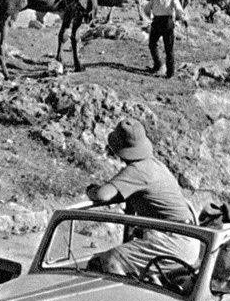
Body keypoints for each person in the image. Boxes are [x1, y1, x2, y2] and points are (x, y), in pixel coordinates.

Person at [85, 118, 200, 277]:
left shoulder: (137, 170)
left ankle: (121, 293)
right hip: (186, 238)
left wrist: (90, 190)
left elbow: (102, 195)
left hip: (173, 242)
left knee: (108, 261)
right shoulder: (155, 164)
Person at [143, 0, 187, 78]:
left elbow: (146, 9)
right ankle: (170, 72)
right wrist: (183, 19)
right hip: (168, 22)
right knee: (169, 48)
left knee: (152, 44)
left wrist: (150, 17)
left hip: (157, 21)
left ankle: (157, 64)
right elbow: (178, 9)